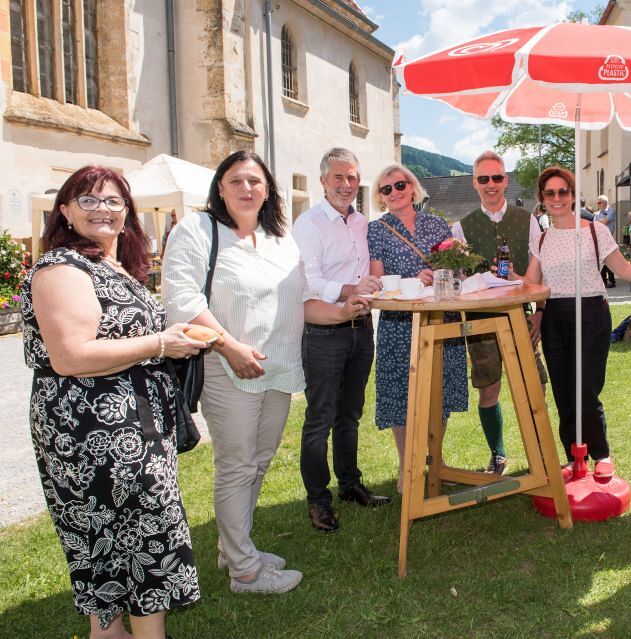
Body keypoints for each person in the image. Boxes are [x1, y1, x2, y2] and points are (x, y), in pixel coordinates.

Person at [23, 166, 203, 637]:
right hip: (93, 432)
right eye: (88, 200)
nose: (102, 209)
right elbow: (71, 356)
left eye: (113, 200)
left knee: (118, 540)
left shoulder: (112, 265)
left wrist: (170, 339)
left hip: (130, 425)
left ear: (127, 213)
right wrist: (160, 343)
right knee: (132, 537)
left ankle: (110, 633)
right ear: (65, 211)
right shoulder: (61, 268)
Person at [163, 151, 313, 594]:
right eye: (236, 180)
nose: (246, 188)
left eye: (255, 181)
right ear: (220, 188)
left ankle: (234, 548)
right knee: (237, 465)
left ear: (268, 190)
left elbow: (299, 297)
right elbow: (182, 299)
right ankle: (245, 572)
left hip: (277, 368)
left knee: (259, 462)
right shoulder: (198, 229)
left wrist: (347, 303)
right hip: (227, 366)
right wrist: (229, 347)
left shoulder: (280, 238)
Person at [292, 147, 389, 534]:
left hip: (361, 330)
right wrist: (352, 289)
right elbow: (310, 281)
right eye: (338, 177)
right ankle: (318, 500)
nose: (346, 184)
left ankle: (350, 484)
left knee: (350, 414)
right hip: (324, 332)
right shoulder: (309, 223)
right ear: (323, 181)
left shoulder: (363, 223)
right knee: (320, 419)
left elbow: (372, 273)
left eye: (352, 177)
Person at [524, 166, 631, 478]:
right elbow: (530, 283)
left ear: (573, 195)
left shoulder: (595, 231)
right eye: (550, 193)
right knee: (563, 391)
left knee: (585, 388)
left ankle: (601, 453)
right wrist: (496, 278)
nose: (557, 198)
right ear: (542, 198)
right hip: (554, 316)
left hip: (590, 313)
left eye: (563, 191)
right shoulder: (542, 239)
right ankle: (574, 455)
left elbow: (623, 269)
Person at [367, 164, 468, 492]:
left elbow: (456, 269)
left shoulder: (437, 224)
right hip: (399, 324)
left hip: (440, 318)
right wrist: (413, 280)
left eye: (400, 185)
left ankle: (436, 460)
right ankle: (406, 464)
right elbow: (377, 280)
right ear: (381, 197)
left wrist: (439, 273)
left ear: (412, 187)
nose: (394, 192)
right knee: (400, 394)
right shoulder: (377, 230)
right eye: (386, 189)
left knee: (441, 388)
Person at [451, 150, 548, 475]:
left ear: (505, 180)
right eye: (484, 179)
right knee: (488, 388)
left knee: (534, 384)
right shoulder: (461, 229)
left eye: (496, 177)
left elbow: (541, 272)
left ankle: (540, 452)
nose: (490, 184)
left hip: (520, 316)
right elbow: (458, 282)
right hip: (481, 322)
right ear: (474, 183)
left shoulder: (528, 220)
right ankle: (498, 455)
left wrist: (539, 312)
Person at [594, 195, 618, 288]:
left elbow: (605, 221)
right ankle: (603, 281)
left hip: (608, 238)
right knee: (601, 259)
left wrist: (599, 222)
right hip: (599, 238)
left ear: (605, 202)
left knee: (609, 260)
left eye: (599, 203)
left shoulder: (611, 211)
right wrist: (600, 221)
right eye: (597, 203)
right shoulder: (597, 213)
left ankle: (612, 281)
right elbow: (594, 224)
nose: (598, 204)